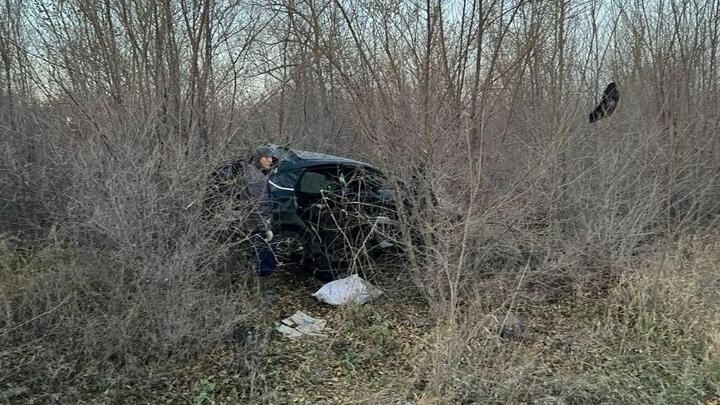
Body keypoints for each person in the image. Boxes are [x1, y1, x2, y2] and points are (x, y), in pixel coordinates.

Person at [240, 145, 277, 293]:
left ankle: (253, 290)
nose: (270, 160)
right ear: (258, 158)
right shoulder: (256, 177)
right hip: (256, 227)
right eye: (266, 157)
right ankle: (264, 294)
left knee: (254, 258)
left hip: (250, 225)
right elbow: (257, 206)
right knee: (264, 262)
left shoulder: (252, 171)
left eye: (271, 157)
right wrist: (265, 228)